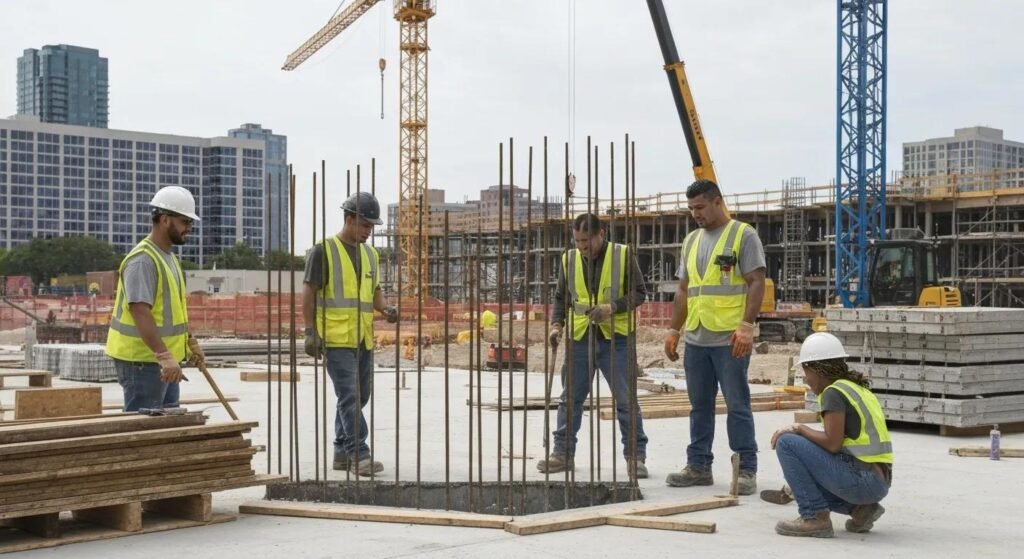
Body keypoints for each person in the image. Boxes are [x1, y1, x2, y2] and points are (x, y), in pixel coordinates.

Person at [663, 179, 766, 494]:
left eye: (700, 207)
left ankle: (746, 469)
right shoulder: (691, 240)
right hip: (697, 338)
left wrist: (747, 325)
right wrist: (673, 329)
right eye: (691, 209)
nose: (696, 214)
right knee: (700, 406)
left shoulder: (743, 235)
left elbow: (756, 280)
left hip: (729, 338)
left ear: (717, 202)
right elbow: (684, 289)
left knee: (737, 404)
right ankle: (698, 465)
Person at [537, 213, 650, 478]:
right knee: (570, 400)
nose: (581, 247)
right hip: (580, 338)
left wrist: (613, 307)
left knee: (626, 400)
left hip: (617, 340)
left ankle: (635, 456)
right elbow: (561, 296)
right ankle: (562, 454)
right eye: (577, 241)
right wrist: (556, 325)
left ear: (602, 234)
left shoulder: (623, 255)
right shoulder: (569, 259)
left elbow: (640, 293)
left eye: (586, 241)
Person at [303, 192, 398, 477]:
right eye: (365, 225)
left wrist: (385, 309)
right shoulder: (323, 250)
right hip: (334, 339)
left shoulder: (371, 254)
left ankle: (341, 452)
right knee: (350, 396)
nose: (369, 231)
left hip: (362, 338)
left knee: (359, 395)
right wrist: (310, 331)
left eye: (371, 226)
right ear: (348, 219)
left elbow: (375, 290)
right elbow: (308, 292)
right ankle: (360, 454)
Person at [765, 332, 893, 538]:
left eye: (805, 371)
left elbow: (832, 444)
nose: (806, 379)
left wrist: (799, 428)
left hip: (863, 480)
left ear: (817, 369)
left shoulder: (833, 393)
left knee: (787, 443)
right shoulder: (856, 389)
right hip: (878, 480)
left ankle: (815, 517)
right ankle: (860, 510)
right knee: (804, 469)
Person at [105, 185, 205, 411]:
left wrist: (189, 343)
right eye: (185, 222)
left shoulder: (169, 258)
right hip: (143, 362)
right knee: (144, 432)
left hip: (164, 360)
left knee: (167, 427)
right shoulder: (143, 260)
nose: (189, 228)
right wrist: (163, 355)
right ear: (165, 220)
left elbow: (171, 311)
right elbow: (140, 310)